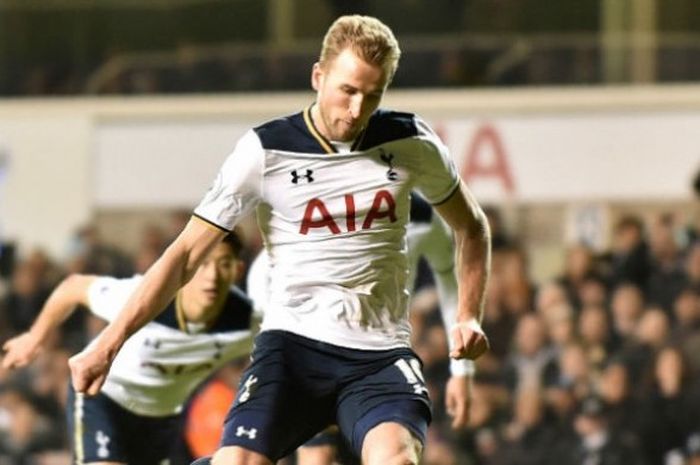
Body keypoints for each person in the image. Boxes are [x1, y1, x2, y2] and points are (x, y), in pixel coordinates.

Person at [68, 14, 491, 465]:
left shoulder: (413, 142)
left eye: (372, 96)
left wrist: (468, 316)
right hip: (293, 348)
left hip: (379, 355)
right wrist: (109, 343)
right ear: (318, 76)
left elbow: (472, 227)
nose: (356, 110)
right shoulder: (265, 152)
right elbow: (187, 253)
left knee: (397, 460)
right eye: (347, 91)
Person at [245, 193, 477, 465]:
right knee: (318, 456)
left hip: (379, 362)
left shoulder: (422, 218)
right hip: (312, 356)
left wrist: (462, 369)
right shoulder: (308, 224)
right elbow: (265, 290)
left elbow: (449, 274)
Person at [2, 232, 255, 465]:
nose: (211, 276)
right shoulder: (143, 298)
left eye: (223, 264)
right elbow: (73, 287)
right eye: (202, 264)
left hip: (162, 417)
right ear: (185, 267)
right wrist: (34, 338)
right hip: (102, 398)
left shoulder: (248, 322)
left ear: (237, 270)